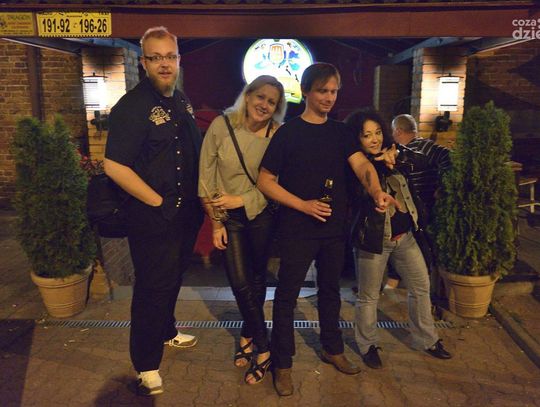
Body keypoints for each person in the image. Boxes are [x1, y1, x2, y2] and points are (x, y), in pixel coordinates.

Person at [257, 63, 398, 397]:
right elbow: (265, 180)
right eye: (323, 91)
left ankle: (333, 349)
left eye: (334, 91)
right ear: (306, 91)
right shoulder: (288, 133)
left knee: (331, 291)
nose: (329, 97)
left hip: (334, 228)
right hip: (296, 228)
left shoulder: (341, 132)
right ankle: (282, 363)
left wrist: (376, 191)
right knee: (286, 296)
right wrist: (302, 205)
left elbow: (362, 166)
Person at [104, 26, 203, 396]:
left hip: (185, 214)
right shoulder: (132, 107)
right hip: (152, 217)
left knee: (172, 278)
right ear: (143, 62)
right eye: (156, 57)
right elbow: (114, 166)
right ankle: (146, 364)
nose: (164, 64)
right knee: (151, 288)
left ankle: (167, 331)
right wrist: (158, 202)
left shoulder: (182, 101)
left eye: (170, 56)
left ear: (178, 59)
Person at [345, 110, 452, 371]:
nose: (374, 139)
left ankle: (428, 339)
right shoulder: (354, 166)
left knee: (421, 286)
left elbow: (423, 161)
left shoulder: (395, 154)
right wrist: (378, 166)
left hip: (405, 237)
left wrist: (398, 154)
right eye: (367, 135)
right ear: (357, 139)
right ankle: (368, 345)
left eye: (377, 132)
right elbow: (359, 189)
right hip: (373, 241)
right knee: (369, 296)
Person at [198, 75, 287, 385]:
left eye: (272, 102)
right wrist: (216, 223)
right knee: (239, 281)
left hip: (262, 214)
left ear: (277, 108)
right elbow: (206, 177)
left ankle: (248, 335)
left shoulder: (277, 133)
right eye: (260, 97)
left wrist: (243, 199)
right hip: (229, 217)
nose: (264, 105)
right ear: (248, 96)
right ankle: (265, 347)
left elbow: (279, 182)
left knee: (258, 278)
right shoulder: (221, 126)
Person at [391, 114, 451, 217]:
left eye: (392, 131)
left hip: (425, 208)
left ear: (398, 131)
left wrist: (442, 188)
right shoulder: (402, 150)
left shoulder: (424, 147)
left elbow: (449, 157)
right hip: (414, 209)